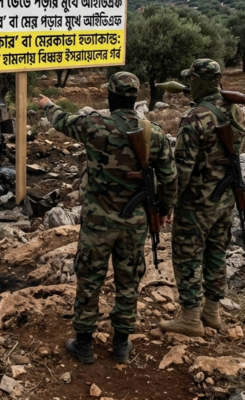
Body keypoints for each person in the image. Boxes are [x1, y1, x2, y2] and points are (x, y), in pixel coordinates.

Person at [36, 72, 177, 364]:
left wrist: (48, 104)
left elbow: (62, 121)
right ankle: (122, 344)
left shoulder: (94, 125)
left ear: (112, 97)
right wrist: (164, 210)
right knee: (128, 281)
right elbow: (170, 178)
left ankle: (84, 343)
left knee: (89, 278)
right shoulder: (154, 132)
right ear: (134, 97)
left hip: (98, 224)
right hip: (134, 224)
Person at [160, 59, 245, 337]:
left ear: (199, 80)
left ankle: (189, 318)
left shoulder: (195, 117)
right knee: (216, 253)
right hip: (225, 198)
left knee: (187, 257)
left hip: (197, 203)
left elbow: (182, 169)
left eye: (191, 80)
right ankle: (211, 312)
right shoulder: (237, 111)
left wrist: (167, 204)